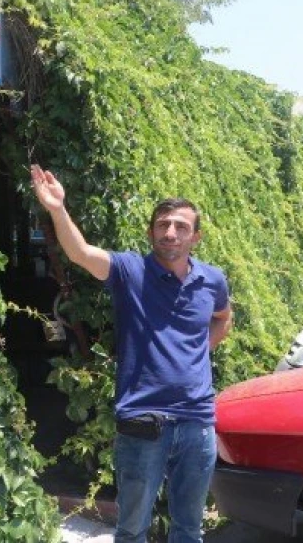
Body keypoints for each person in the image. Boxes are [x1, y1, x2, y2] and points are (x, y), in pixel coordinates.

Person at [30, 164, 233, 543]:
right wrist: (57, 208)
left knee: (190, 529)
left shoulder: (212, 280)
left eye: (180, 226)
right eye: (162, 225)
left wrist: (198, 352)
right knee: (133, 528)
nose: (170, 232)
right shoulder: (130, 270)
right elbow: (81, 253)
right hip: (144, 422)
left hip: (197, 421)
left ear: (196, 237)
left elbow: (223, 316)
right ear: (151, 231)